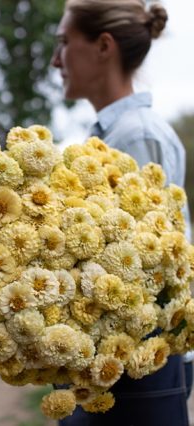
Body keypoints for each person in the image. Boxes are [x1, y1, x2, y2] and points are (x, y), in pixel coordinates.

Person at [51, 0, 192, 425]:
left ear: (103, 46)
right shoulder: (112, 133)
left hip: (135, 366)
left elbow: (148, 268)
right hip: (117, 360)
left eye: (63, 42)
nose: (57, 59)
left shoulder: (138, 136)